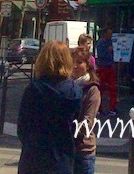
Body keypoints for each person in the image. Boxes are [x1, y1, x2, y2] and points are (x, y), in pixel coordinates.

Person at [17, 40, 82, 174]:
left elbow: (22, 127)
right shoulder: (74, 91)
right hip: (62, 158)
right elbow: (77, 127)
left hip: (34, 158)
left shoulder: (34, 89)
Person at [72, 47, 101, 174]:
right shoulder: (66, 86)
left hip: (84, 150)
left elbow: (87, 123)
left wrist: (62, 128)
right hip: (66, 149)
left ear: (88, 66)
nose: (75, 66)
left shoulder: (92, 89)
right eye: (72, 62)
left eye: (79, 62)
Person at [95, 27, 117, 114]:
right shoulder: (101, 43)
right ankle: (99, 108)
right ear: (105, 34)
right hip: (103, 67)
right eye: (109, 34)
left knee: (112, 87)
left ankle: (112, 107)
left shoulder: (109, 42)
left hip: (109, 66)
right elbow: (101, 55)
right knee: (101, 88)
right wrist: (108, 50)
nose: (111, 36)